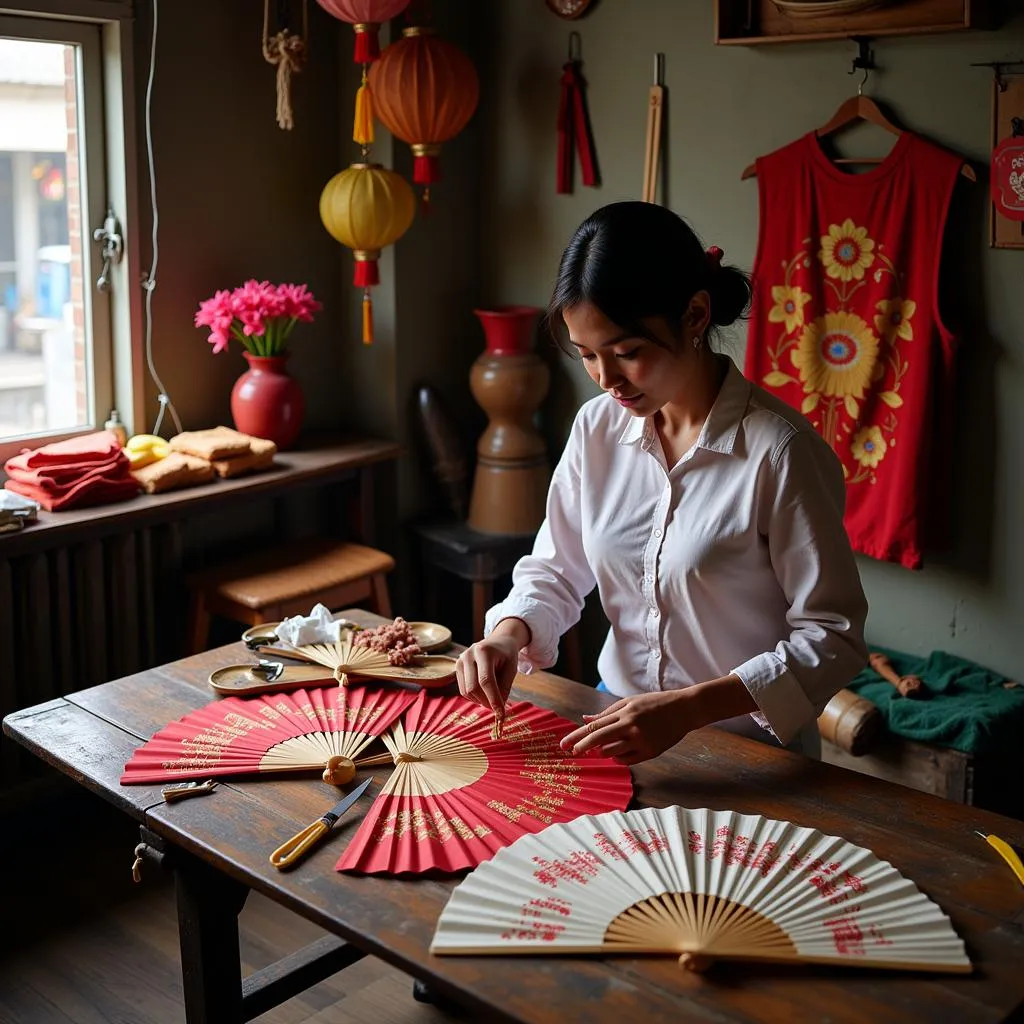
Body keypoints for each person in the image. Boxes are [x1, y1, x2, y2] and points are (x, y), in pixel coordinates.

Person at [455, 201, 869, 764]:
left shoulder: (780, 453)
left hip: (749, 753)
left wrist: (689, 708)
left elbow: (833, 636)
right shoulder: (597, 429)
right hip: (612, 726)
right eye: (587, 356)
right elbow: (557, 566)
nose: (608, 381)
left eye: (627, 353)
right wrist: (508, 634)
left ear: (696, 316)